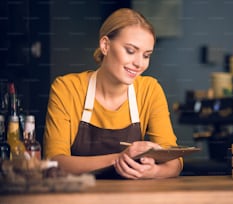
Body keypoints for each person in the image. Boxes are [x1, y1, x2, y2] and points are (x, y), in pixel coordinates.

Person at [43, 8, 182, 179]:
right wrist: (120, 158)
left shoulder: (150, 90)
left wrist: (154, 171)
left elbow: (174, 161)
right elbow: (54, 163)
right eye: (130, 51)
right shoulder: (67, 88)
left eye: (146, 55)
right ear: (105, 45)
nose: (139, 63)